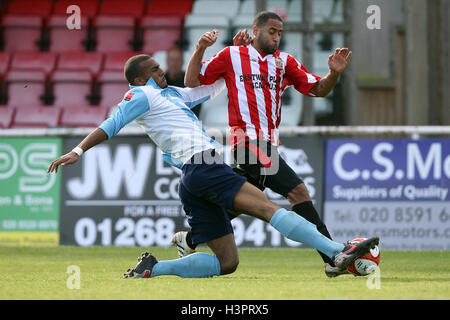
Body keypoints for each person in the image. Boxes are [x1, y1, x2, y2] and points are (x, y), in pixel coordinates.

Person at [47, 54, 378, 279]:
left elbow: (207, 88)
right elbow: (112, 123)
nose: (162, 71)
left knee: (227, 263)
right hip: (203, 165)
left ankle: (153, 268)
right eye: (156, 69)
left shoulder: (169, 96)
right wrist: (78, 150)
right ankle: (337, 252)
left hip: (192, 178)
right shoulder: (140, 96)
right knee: (266, 207)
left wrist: (232, 61)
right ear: (141, 77)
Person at [178, 11, 353, 277]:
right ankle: (332, 256)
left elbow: (317, 89)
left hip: (268, 144)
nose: (277, 37)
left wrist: (333, 74)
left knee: (245, 202)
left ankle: (190, 239)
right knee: (298, 192)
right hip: (244, 141)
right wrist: (201, 48)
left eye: (280, 32)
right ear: (256, 30)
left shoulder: (284, 62)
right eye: (272, 31)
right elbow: (192, 82)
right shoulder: (232, 55)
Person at [164, 46, 202, 118]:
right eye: (171, 60)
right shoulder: (158, 83)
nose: (174, 64)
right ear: (167, 61)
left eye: (177, 60)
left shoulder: (192, 83)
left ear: (183, 61)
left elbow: (196, 110)